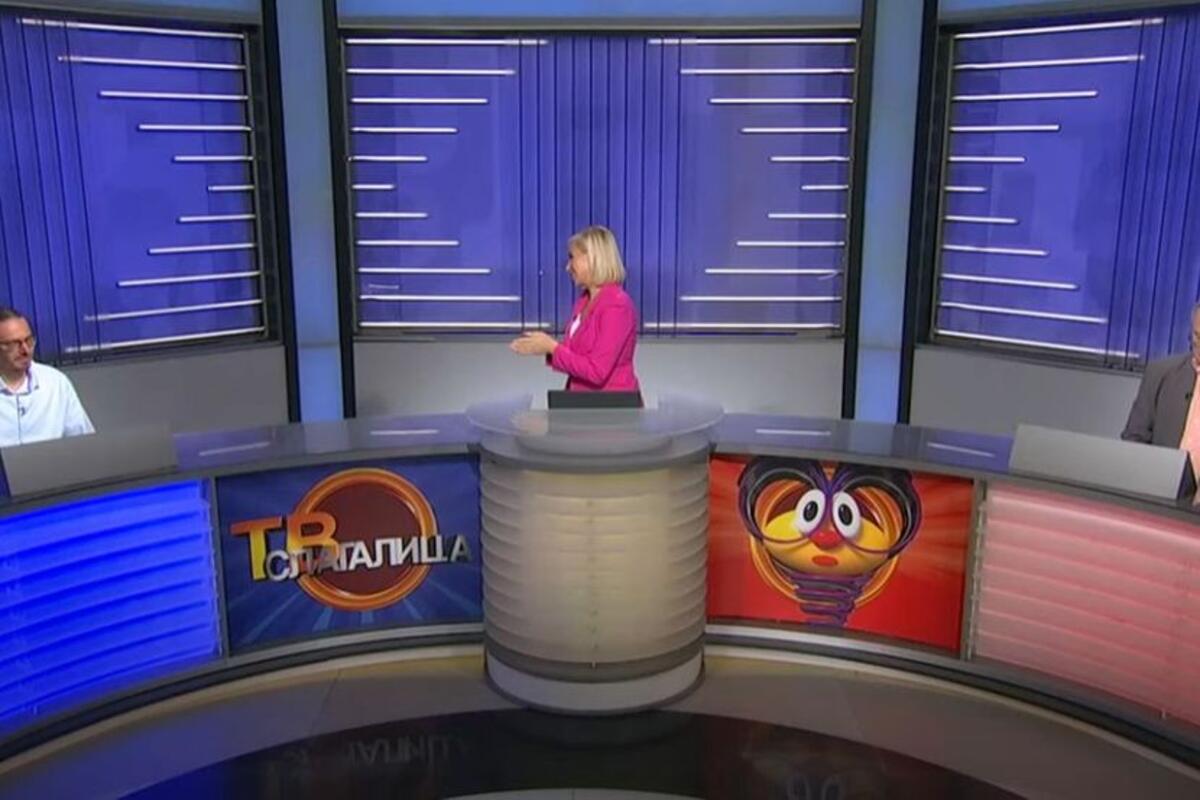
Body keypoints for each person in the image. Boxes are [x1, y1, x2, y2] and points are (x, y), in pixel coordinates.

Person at [509, 225, 640, 393]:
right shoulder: (585, 300)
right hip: (580, 398)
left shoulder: (617, 306)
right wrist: (544, 347)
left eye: (572, 258)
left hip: (611, 402)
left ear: (593, 259)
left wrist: (552, 347)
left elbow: (597, 371)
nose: (568, 267)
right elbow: (576, 354)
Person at [0, 307, 94, 447]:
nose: (25, 350)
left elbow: (84, 443)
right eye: (15, 344)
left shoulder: (56, 383)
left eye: (29, 341)